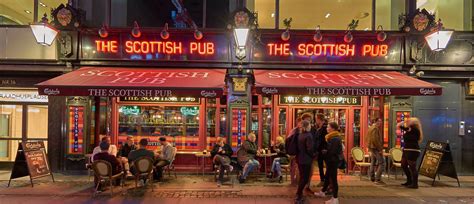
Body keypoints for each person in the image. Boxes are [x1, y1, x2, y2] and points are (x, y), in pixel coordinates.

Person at [315, 122, 343, 204]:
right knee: (327, 177)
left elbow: (332, 151)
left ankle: (335, 198)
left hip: (333, 161)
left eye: (328, 127)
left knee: (333, 180)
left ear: (333, 129)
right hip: (331, 161)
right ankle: (323, 192)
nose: (327, 128)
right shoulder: (332, 137)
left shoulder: (335, 138)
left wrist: (325, 152)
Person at [397, 117, 424, 189]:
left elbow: (402, 127)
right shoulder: (410, 129)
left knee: (412, 167)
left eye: (409, 121)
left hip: (413, 150)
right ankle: (409, 180)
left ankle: (415, 184)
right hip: (406, 149)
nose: (407, 122)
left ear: (413, 123)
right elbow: (398, 126)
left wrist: (406, 122)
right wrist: (405, 121)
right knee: (403, 165)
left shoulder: (415, 130)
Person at [295, 120, 314, 203]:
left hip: (300, 159)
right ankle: (298, 194)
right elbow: (309, 149)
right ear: (307, 126)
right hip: (306, 159)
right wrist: (314, 154)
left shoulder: (300, 135)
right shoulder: (308, 135)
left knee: (302, 177)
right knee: (305, 178)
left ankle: (299, 194)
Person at [300, 113, 318, 193]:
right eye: (307, 119)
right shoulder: (300, 130)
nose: (309, 121)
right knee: (303, 174)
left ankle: (307, 186)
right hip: (305, 155)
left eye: (310, 119)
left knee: (310, 172)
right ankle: (301, 189)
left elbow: (315, 141)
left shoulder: (313, 129)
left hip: (309, 155)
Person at [367, 118, 385, 184]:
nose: (380, 123)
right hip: (375, 148)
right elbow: (375, 139)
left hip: (372, 147)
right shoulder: (375, 128)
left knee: (373, 161)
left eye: (381, 121)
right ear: (375, 121)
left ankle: (372, 177)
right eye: (379, 121)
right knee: (382, 162)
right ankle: (378, 179)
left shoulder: (370, 128)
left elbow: (367, 138)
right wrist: (380, 149)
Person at [315, 113, 328, 187]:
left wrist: (325, 148)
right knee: (320, 166)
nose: (316, 120)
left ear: (319, 119)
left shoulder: (325, 127)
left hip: (324, 150)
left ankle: (325, 180)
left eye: (316, 119)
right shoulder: (319, 128)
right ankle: (323, 180)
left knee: (327, 166)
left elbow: (325, 139)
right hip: (320, 150)